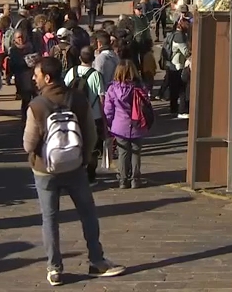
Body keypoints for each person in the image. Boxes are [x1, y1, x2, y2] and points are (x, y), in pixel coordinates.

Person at [23, 57, 125, 286]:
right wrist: (83, 158)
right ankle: (97, 261)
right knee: (88, 214)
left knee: (50, 219)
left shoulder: (36, 105)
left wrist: (35, 156)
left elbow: (28, 144)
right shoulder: (77, 99)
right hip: (75, 167)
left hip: (45, 170)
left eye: (36, 75)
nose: (33, 78)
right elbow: (90, 133)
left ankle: (55, 268)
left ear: (47, 78)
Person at [103, 60, 151, 189]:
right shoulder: (139, 87)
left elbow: (108, 110)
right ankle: (135, 179)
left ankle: (123, 180)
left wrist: (109, 124)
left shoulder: (112, 89)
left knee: (123, 153)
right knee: (136, 152)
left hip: (119, 125)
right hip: (137, 124)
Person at [63, 46, 105, 185]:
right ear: (93, 58)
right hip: (94, 116)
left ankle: (75, 174)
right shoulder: (96, 75)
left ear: (80, 58)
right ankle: (90, 176)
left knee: (75, 145)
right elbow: (101, 99)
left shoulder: (71, 72)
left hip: (73, 116)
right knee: (93, 148)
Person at [162, 19, 191, 116]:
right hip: (178, 65)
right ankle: (181, 111)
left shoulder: (172, 34)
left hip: (171, 64)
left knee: (173, 88)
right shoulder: (179, 37)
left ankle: (173, 109)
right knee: (182, 88)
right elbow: (185, 52)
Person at [9, 29, 38, 123]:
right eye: (18, 37)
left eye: (22, 37)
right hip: (21, 78)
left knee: (36, 99)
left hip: (33, 77)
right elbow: (13, 65)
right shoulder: (13, 50)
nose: (21, 39)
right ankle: (25, 120)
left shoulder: (30, 46)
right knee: (25, 101)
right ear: (15, 39)